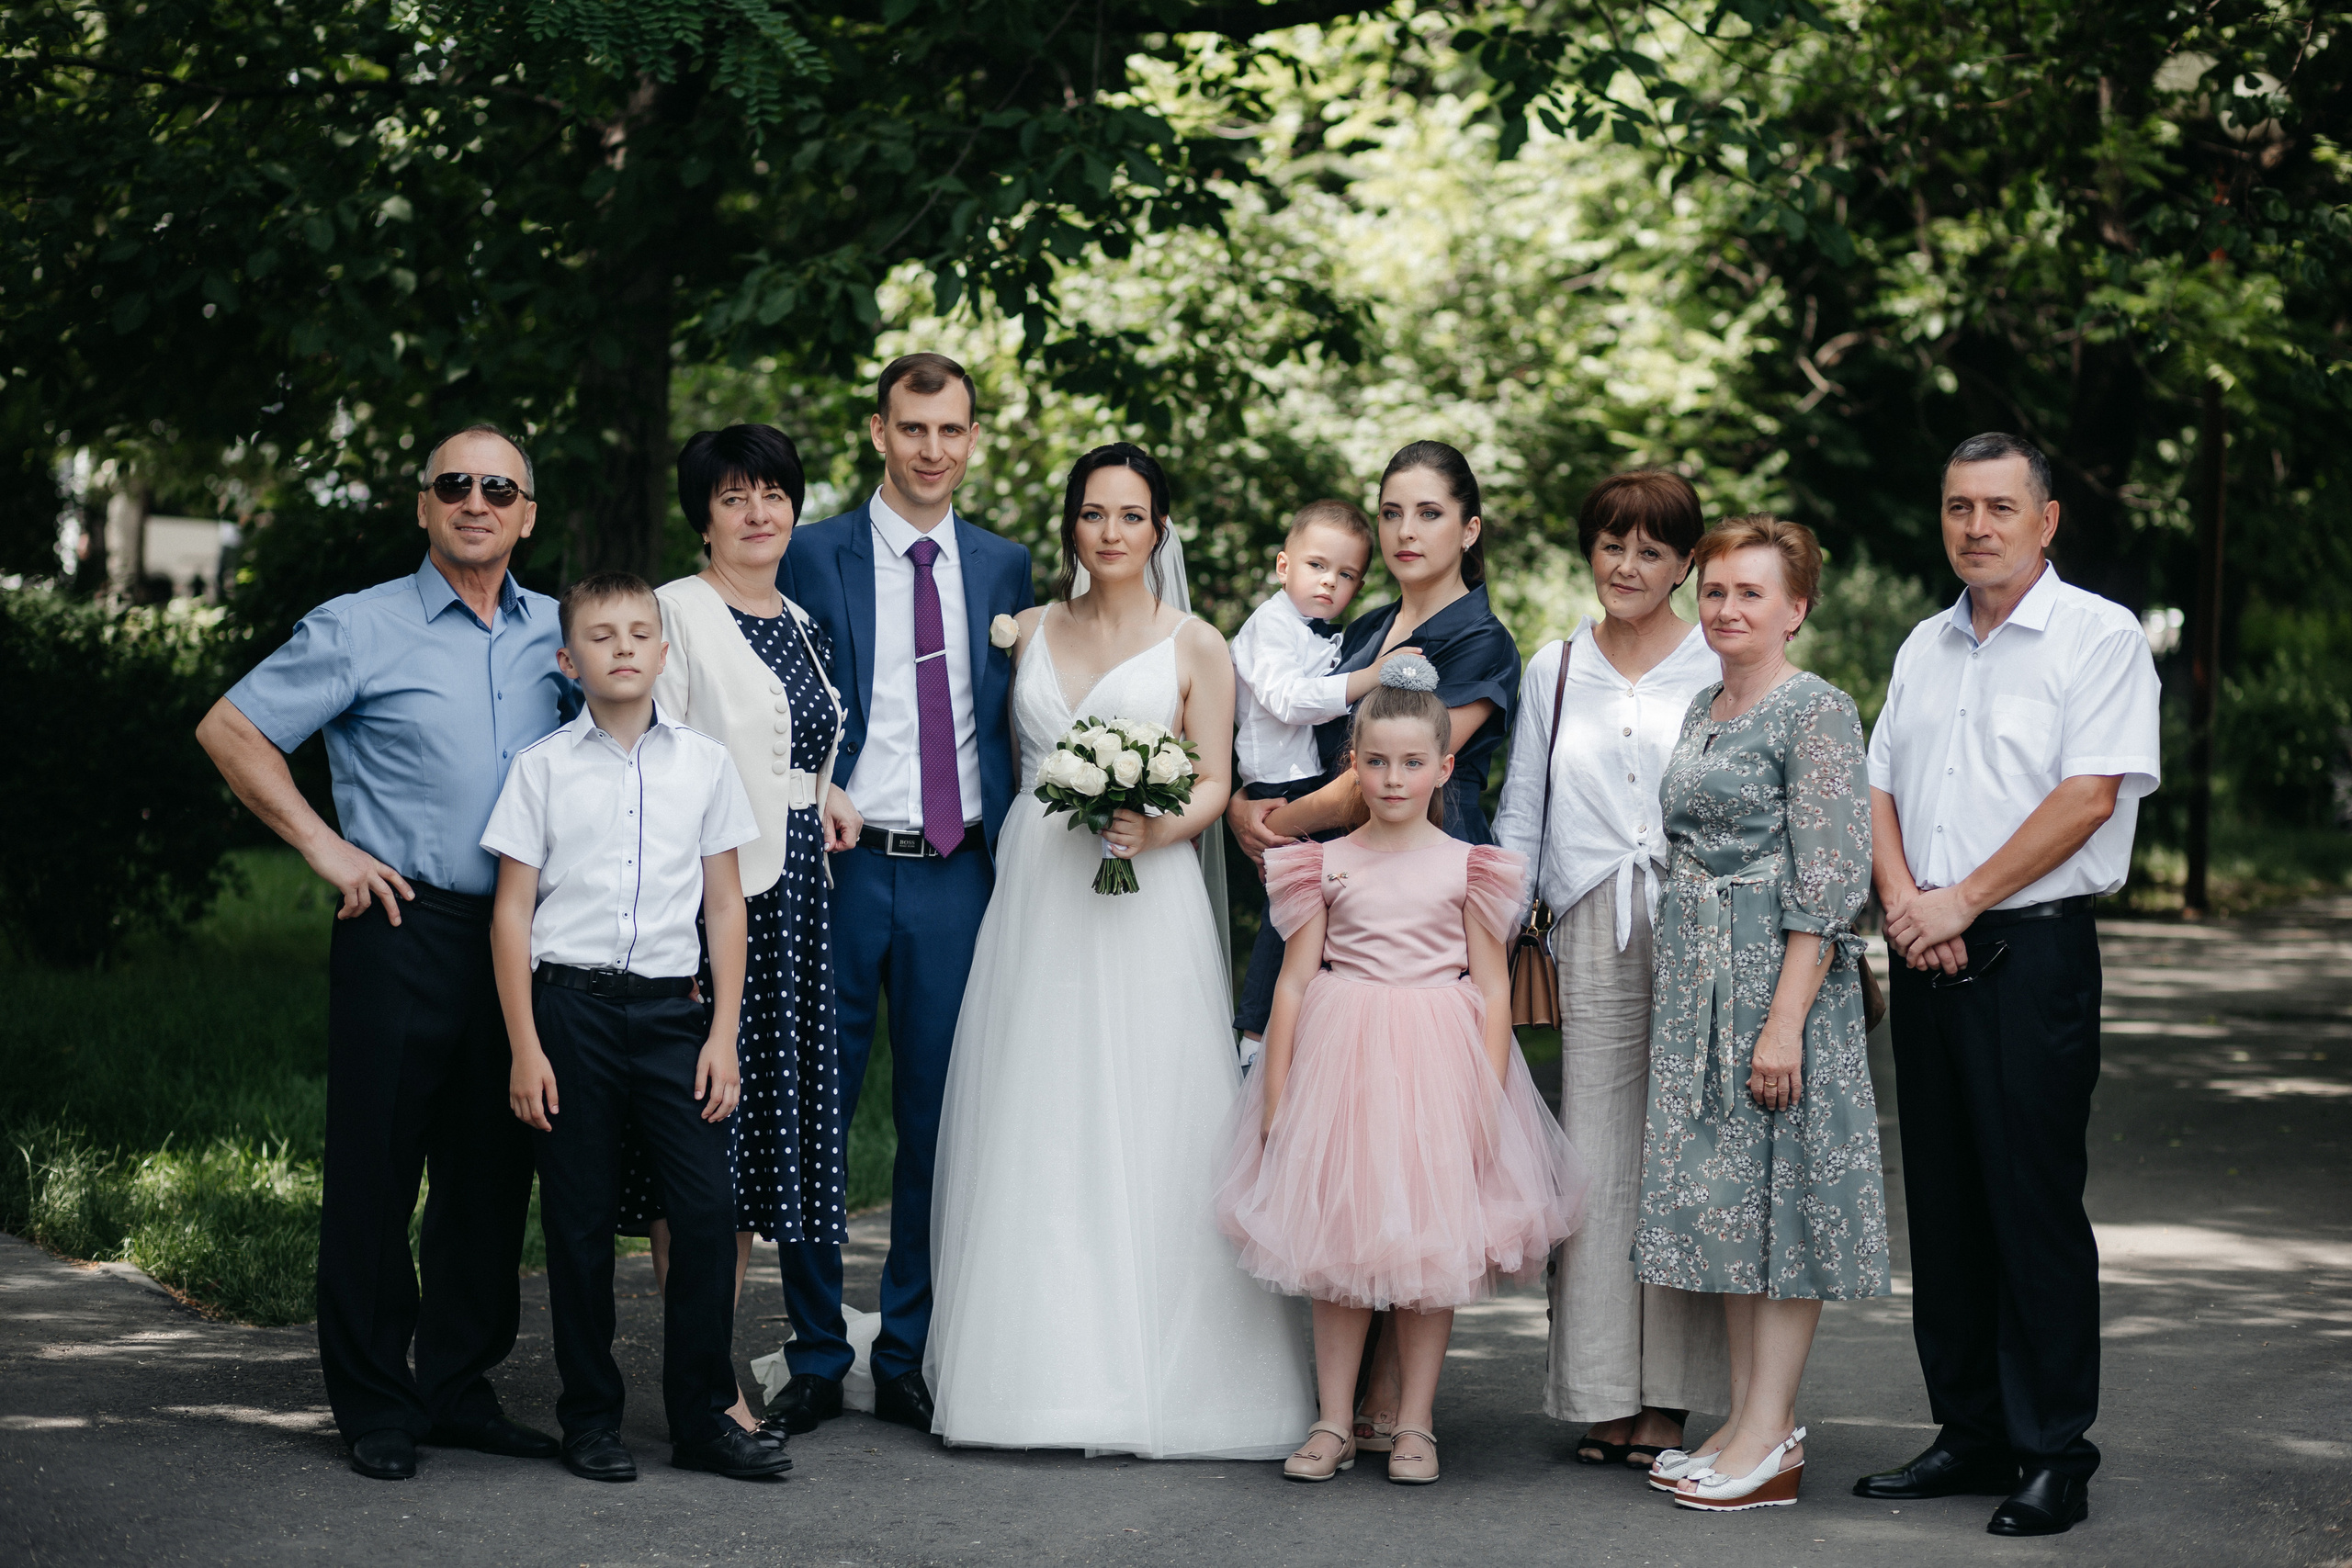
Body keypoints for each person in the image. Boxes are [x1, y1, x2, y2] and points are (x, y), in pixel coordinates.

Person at [195, 423, 572, 1480]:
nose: (475, 501)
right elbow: (230, 729)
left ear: (526, 515)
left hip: (521, 937)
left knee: (490, 1173)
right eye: (453, 484)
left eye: (497, 487)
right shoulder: (359, 626)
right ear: (423, 505)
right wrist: (325, 847)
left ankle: (456, 1389)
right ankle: (373, 1402)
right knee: (376, 1170)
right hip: (402, 924)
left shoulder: (562, 632)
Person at [923, 443, 1317, 1459]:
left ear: (1158, 529)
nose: (1110, 533)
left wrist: (1155, 825)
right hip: (1039, 890)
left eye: (1131, 515)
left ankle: (1170, 1371)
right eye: (1093, 514)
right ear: (1071, 526)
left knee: (1151, 1106)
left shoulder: (1196, 643)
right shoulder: (1026, 632)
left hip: (1147, 892)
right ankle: (1033, 1370)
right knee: (1039, 1105)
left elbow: (1216, 780)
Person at [1852, 434, 2160, 1538]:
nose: (1975, 527)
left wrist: (1961, 901)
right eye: (1957, 507)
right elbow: (1878, 786)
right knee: (1943, 1207)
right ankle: (1971, 1432)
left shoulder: (2097, 636)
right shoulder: (1924, 644)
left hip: (2031, 956)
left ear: (2046, 519)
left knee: (2030, 1206)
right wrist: (1907, 904)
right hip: (1925, 947)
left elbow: (2087, 797)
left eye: (1997, 506)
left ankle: (2051, 1453)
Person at [1216, 658, 1588, 1486]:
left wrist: (1487, 1099)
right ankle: (1333, 1419)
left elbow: (1493, 988)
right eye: (1377, 761)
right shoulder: (1322, 862)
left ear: (1444, 767)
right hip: (1341, 1063)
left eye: (1412, 762)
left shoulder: (1470, 866)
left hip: (1436, 1064)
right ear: (1353, 761)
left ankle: (1416, 1421)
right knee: (1335, 1245)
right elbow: (1294, 982)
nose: (1393, 778)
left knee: (1431, 1251)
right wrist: (1275, 1096)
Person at [1227, 439, 1522, 1444]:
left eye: (1429, 513)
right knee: (1337, 1136)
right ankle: (1329, 1394)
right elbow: (1301, 732)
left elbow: (1381, 774)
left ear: (1469, 529)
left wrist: (1269, 819)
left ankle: (1400, 1397)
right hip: (1335, 882)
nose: (1404, 530)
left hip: (1418, 892)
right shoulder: (1356, 627)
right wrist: (1251, 802)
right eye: (1391, 511)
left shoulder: (1477, 640)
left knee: (1411, 1145)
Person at [769, 354, 1035, 1436]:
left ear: (973, 439)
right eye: (912, 428)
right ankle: (816, 1351)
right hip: (835, 868)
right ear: (879, 432)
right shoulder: (809, 551)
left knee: (939, 1121)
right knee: (814, 1115)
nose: (932, 449)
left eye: (951, 430)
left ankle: (908, 1349)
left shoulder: (1006, 567)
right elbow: (766, 697)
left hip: (957, 872)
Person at [482, 571, 786, 1483]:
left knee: (705, 1213)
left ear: (662, 652)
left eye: (639, 633)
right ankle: (590, 1418)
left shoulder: (704, 764)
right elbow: (511, 914)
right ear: (569, 660)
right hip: (569, 1013)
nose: (622, 647)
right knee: (577, 1223)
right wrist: (525, 1045)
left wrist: (722, 1033)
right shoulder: (540, 767)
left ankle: (703, 1416)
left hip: (671, 1016)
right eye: (601, 635)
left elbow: (725, 906)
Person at [604, 425, 858, 1440]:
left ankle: (711, 1377)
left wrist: (826, 795)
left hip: (796, 905)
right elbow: (653, 760)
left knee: (746, 1162)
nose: (759, 513)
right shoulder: (677, 612)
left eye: (774, 494)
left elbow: (784, 750)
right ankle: (704, 1387)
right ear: (702, 518)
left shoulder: (800, 620)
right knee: (699, 1156)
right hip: (714, 904)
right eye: (734, 497)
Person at [1632, 514, 1885, 1514]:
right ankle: (1744, 1421)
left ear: (1796, 609)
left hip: (1780, 988)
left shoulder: (1817, 710)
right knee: (1730, 1210)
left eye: (1751, 592)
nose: (1727, 607)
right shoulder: (1705, 704)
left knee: (1785, 1209)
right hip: (1700, 987)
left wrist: (1783, 1024)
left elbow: (1829, 881)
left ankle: (1773, 1434)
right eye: (1715, 590)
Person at [1491, 469, 1728, 1470]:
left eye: (1651, 551)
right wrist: (1492, 936)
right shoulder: (1554, 667)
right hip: (1588, 922)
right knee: (1592, 1154)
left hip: (1698, 920)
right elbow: (1521, 810)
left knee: (1682, 1153)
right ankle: (1598, 1390)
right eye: (1610, 544)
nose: (1626, 565)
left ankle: (1669, 1396)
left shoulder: (1717, 659)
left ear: (1684, 565)